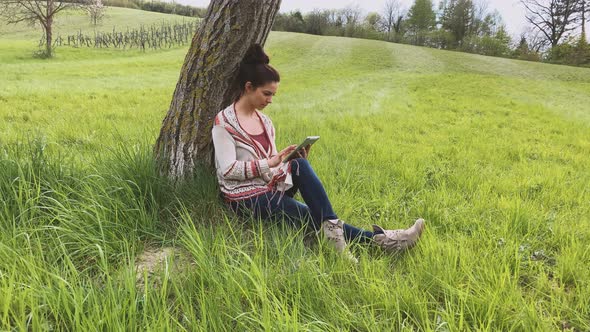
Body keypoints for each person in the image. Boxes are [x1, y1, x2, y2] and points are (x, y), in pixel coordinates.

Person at [211, 44, 424, 261]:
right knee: (309, 215)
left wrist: (287, 162)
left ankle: (352, 237)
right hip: (244, 198)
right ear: (248, 87)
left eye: (273, 95)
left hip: (269, 188)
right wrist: (270, 162)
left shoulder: (265, 122)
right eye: (266, 94)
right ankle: (381, 241)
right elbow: (227, 170)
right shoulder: (225, 123)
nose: (270, 100)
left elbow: (271, 168)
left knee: (300, 165)